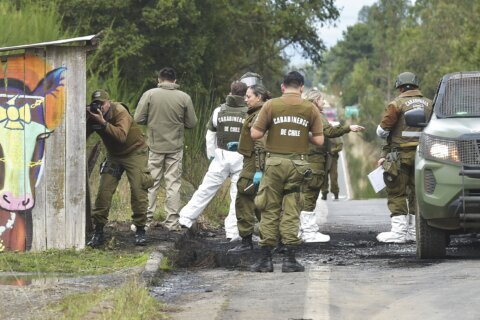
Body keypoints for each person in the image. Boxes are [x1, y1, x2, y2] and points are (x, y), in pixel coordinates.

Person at [250, 71, 324, 273]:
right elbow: (319, 141)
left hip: (274, 164)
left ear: (282, 87)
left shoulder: (270, 105)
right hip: (298, 166)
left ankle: (266, 260)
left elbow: (255, 133)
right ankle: (290, 259)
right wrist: (302, 134)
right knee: (292, 210)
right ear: (301, 87)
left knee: (269, 209)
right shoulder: (310, 108)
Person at [178, 80, 248, 240]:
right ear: (245, 95)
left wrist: (211, 155)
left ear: (230, 92)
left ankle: (186, 218)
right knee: (237, 195)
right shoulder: (250, 112)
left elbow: (210, 135)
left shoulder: (219, 110)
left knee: (206, 189)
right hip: (242, 156)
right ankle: (233, 231)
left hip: (221, 155)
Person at [86, 89, 153, 247]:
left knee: (138, 189)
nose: (99, 107)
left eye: (102, 104)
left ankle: (140, 229)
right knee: (104, 191)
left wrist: (103, 123)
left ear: (109, 102)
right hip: (114, 155)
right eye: (96, 104)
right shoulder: (93, 115)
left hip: (135, 152)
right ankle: (99, 231)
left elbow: (122, 136)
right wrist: (86, 118)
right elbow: (81, 135)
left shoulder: (120, 111)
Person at [134, 67, 197, 231]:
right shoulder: (184, 97)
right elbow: (192, 123)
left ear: (159, 80)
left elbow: (138, 118)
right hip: (175, 147)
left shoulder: (150, 94)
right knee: (173, 184)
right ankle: (172, 223)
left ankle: (145, 222)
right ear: (175, 81)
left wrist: (152, 120)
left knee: (150, 183)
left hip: (154, 146)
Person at [301, 90, 364, 243]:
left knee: (302, 195)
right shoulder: (314, 113)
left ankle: (301, 230)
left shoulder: (302, 112)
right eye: (322, 100)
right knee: (310, 195)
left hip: (301, 158)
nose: (323, 103)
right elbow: (328, 131)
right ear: (315, 100)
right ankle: (308, 232)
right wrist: (349, 128)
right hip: (314, 159)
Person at [376, 72, 432, 243]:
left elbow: (382, 131)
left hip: (399, 156)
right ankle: (415, 232)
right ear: (416, 85)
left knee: (396, 192)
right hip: (424, 155)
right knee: (418, 192)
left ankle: (399, 232)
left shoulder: (396, 104)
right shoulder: (430, 104)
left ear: (399, 87)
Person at [227, 84, 271, 253]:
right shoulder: (259, 112)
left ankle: (247, 242)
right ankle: (273, 240)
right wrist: (240, 145)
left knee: (244, 199)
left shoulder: (259, 114)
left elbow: (260, 143)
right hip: (253, 160)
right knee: (261, 202)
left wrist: (259, 169)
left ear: (258, 97)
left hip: (254, 163)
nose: (245, 99)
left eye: (248, 96)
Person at [321, 136, 342, 201]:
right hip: (323, 158)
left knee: (333, 177)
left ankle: (336, 194)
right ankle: (324, 194)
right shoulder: (321, 134)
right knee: (324, 177)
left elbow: (340, 146)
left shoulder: (335, 136)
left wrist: (332, 151)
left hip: (333, 158)